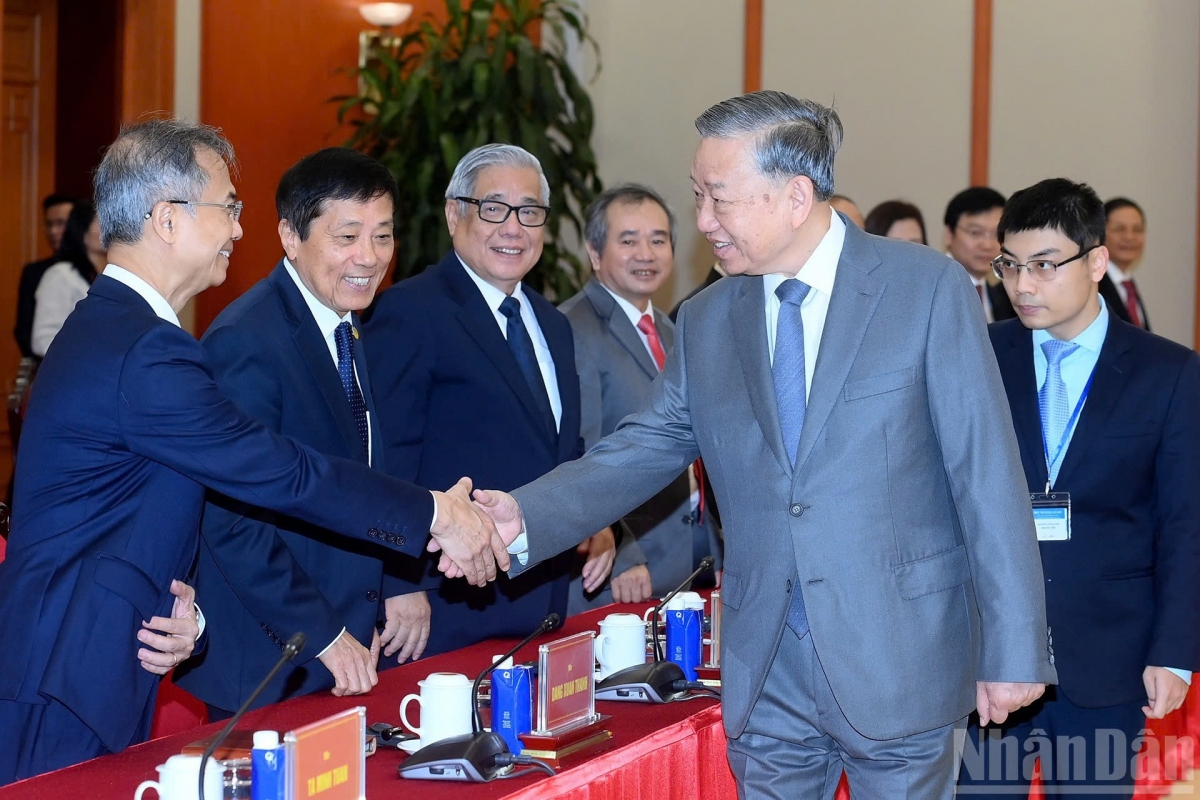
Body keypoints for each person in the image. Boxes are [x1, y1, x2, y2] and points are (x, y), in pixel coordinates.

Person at [474, 91, 1055, 799]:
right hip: (764, 665)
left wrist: (1015, 645)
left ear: (794, 195)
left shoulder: (922, 288)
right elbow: (648, 442)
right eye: (698, 195)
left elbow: (985, 473)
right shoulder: (712, 316)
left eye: (719, 198)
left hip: (899, 657)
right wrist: (525, 515)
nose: (703, 221)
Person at [0, 120, 505, 785]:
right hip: (60, 674)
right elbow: (280, 472)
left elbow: (158, 511)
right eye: (228, 208)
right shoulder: (142, 349)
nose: (240, 230)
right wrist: (436, 513)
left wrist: (194, 619)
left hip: (89, 659)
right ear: (168, 219)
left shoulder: (122, 331)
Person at [960, 178, 1199, 797]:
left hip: (1109, 658)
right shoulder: (980, 356)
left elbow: (1185, 522)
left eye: (1044, 265)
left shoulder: (1167, 373)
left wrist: (1174, 653)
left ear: (1096, 261)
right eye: (1010, 266)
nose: (1023, 285)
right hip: (993, 660)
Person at [175, 148, 432, 718]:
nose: (369, 257)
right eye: (347, 236)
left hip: (341, 643)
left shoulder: (345, 325)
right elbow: (230, 521)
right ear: (291, 236)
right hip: (274, 656)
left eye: (383, 236)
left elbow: (360, 472)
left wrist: (392, 581)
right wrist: (321, 632)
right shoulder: (247, 339)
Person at [365, 143, 595, 656]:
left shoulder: (553, 325)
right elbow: (387, 460)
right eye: (493, 208)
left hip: (541, 600)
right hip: (446, 604)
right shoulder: (409, 311)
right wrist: (401, 583)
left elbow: (563, 449)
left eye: (530, 212)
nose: (513, 228)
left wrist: (595, 518)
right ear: (454, 214)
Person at [560, 184, 721, 611]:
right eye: (628, 240)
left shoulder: (673, 330)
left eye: (658, 240)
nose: (646, 253)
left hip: (689, 563)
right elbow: (580, 454)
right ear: (595, 253)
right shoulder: (570, 328)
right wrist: (623, 551)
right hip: (624, 571)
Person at [30, 201, 106, 357]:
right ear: (83, 233)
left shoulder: (112, 274)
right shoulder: (61, 275)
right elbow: (43, 339)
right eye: (101, 222)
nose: (111, 228)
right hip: (75, 372)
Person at [14, 193, 75, 358]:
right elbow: (24, 330)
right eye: (49, 224)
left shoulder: (97, 269)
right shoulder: (35, 272)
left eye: (61, 223)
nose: (54, 231)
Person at [944, 186, 1013, 322]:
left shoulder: (1007, 297)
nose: (987, 245)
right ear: (949, 235)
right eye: (975, 232)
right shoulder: (930, 289)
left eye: (996, 234)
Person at [1102, 197, 1150, 331]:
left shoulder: (1128, 285)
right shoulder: (1093, 285)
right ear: (1100, 233)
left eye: (1137, 229)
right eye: (1119, 229)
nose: (1129, 237)